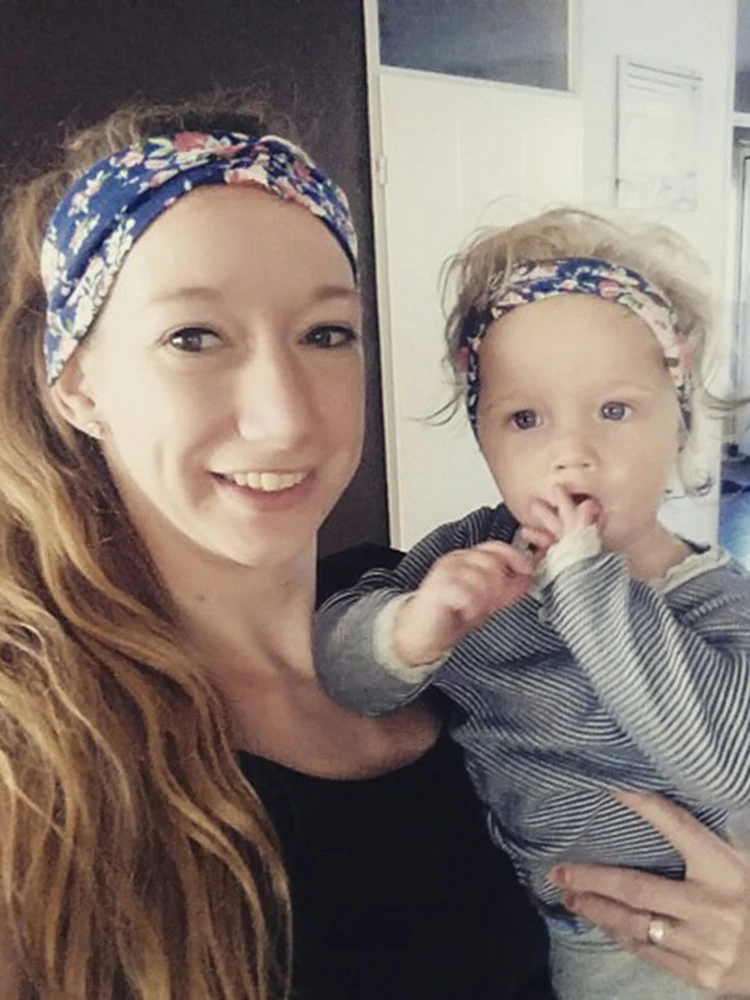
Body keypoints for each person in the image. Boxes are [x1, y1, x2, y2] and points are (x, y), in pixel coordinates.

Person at [0, 94, 746, 1000]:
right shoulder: (38, 759)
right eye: (193, 337)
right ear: (77, 384)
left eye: (326, 333)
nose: (283, 417)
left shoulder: (416, 591)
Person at [313, 208, 750, 999]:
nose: (570, 453)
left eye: (614, 410)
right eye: (524, 418)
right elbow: (341, 675)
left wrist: (586, 582)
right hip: (530, 926)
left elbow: (731, 772)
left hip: (670, 939)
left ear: (679, 416)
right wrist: (410, 631)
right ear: (484, 438)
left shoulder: (716, 602)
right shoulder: (468, 557)